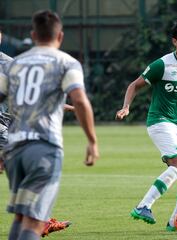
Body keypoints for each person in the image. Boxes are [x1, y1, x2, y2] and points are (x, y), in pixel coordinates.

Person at [0, 10, 99, 240]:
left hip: (15, 149)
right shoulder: (66, 62)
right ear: (61, 36)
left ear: (33, 35)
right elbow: (80, 99)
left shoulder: (17, 64)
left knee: (22, 217)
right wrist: (92, 142)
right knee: (34, 223)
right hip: (43, 148)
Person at [115, 19, 177, 231]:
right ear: (175, 41)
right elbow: (134, 85)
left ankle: (174, 221)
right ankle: (143, 206)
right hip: (160, 122)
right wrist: (126, 107)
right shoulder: (162, 65)